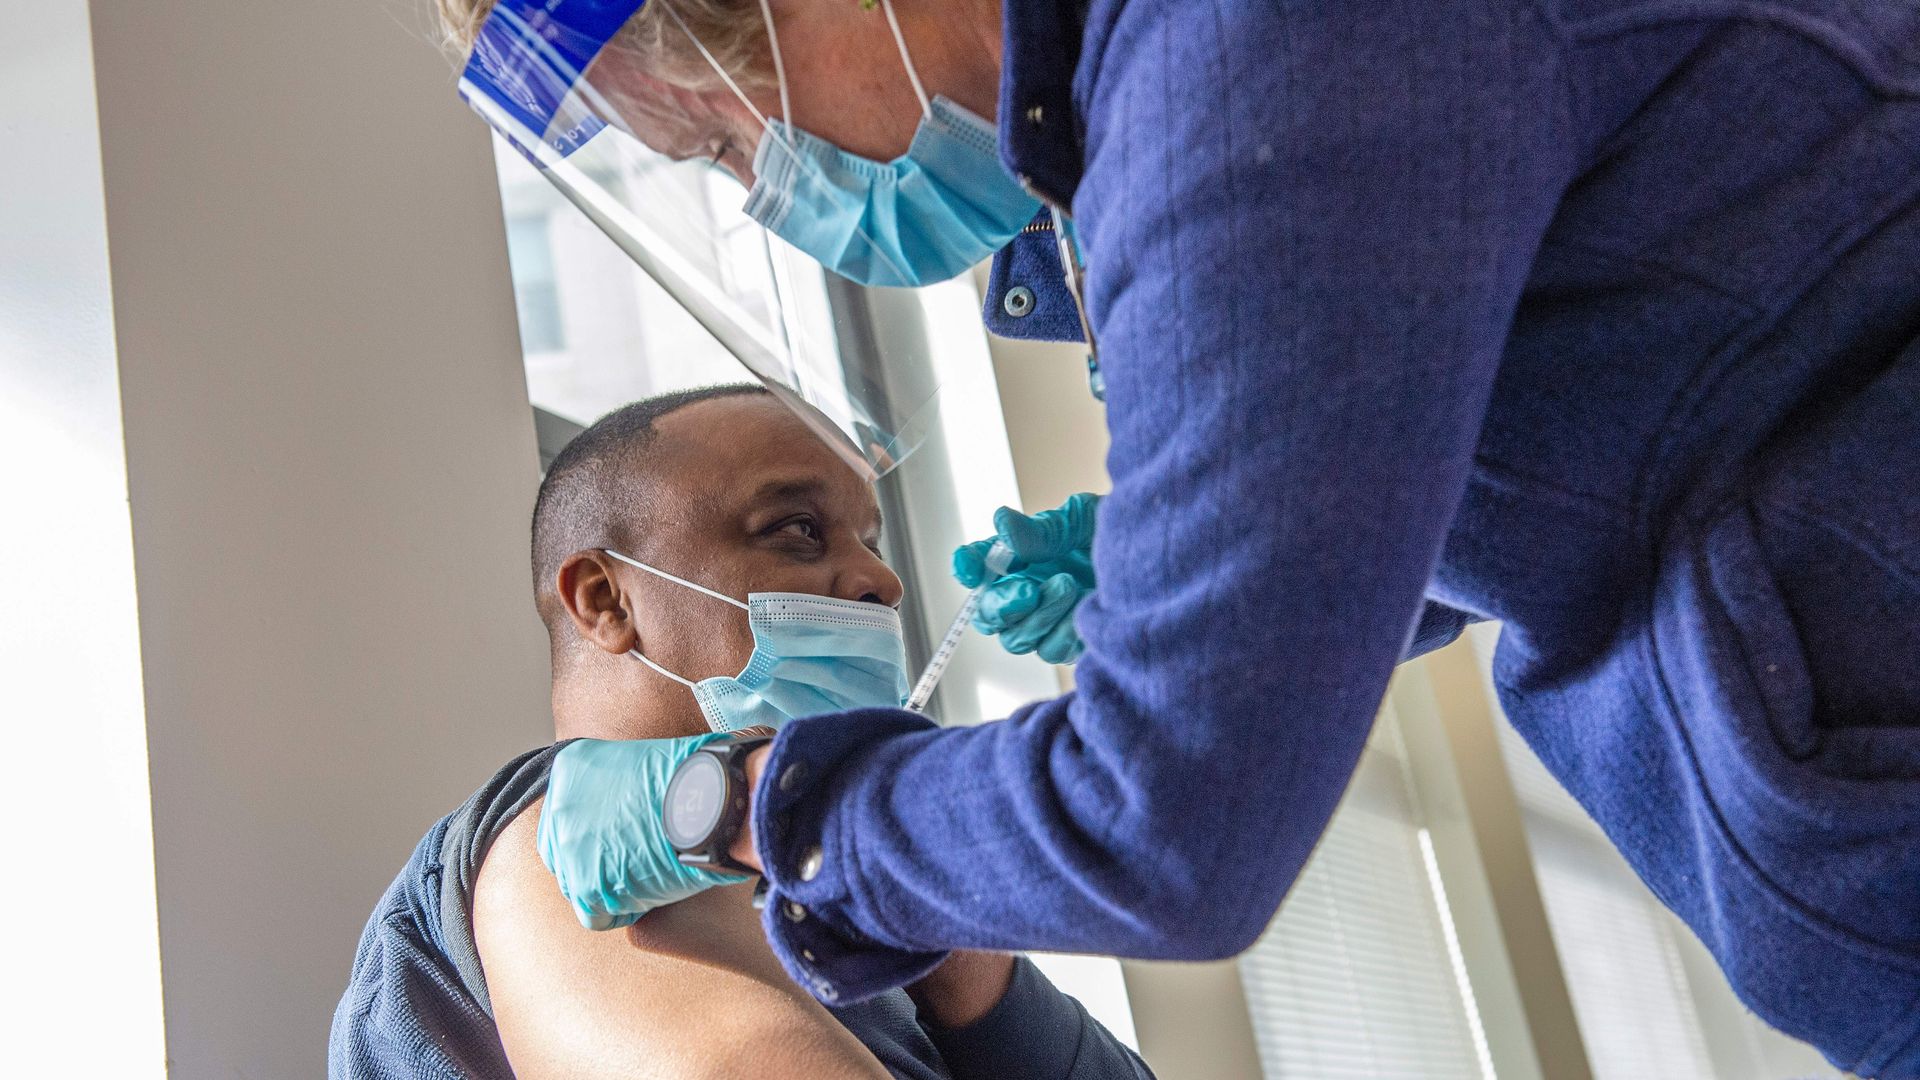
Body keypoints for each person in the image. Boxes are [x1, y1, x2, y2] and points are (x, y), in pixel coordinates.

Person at [443, 0, 1920, 1075]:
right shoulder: (534, 858)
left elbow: (1169, 817)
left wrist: (761, 807)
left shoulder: (1261, 55)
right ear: (599, 599)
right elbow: (1621, 379)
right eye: (786, 525)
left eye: (726, 124)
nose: (772, 180)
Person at [328, 385, 1152, 1079]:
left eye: (872, 539)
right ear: (606, 602)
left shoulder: (819, 897)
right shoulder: (573, 851)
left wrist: (910, 889)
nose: (882, 580)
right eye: (795, 528)